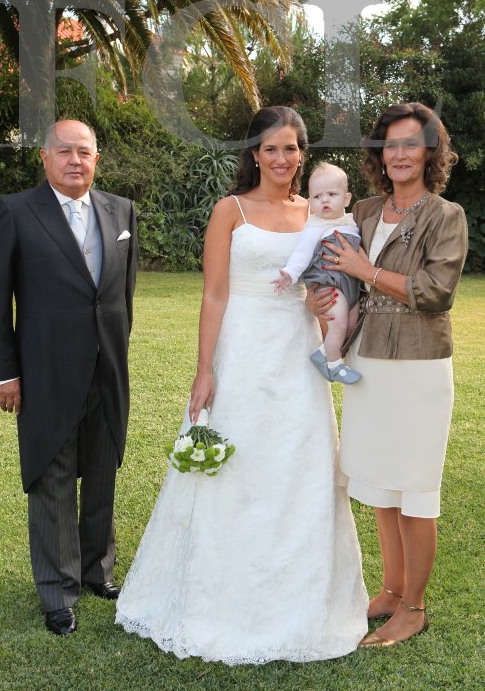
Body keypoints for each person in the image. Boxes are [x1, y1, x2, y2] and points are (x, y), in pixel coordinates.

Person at [115, 106, 368, 663]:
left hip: (296, 352)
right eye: (270, 148)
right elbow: (214, 294)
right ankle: (217, 602)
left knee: (298, 465)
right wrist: (205, 369)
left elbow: (323, 280)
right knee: (236, 465)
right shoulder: (229, 211)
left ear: (302, 154)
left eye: (291, 148)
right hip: (241, 351)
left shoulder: (317, 211)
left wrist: (321, 304)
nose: (281, 158)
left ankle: (300, 605)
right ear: (254, 154)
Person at [307, 102, 467, 647]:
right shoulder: (366, 210)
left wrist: (367, 270)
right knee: (381, 486)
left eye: (411, 144)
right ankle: (392, 592)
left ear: (429, 153)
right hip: (367, 362)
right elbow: (332, 267)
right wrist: (319, 294)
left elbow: (435, 292)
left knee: (414, 490)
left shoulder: (446, 216)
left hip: (419, 369)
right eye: (390, 144)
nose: (399, 154)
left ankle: (414, 608)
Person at [0, 120, 138, 636]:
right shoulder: (16, 212)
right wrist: (3, 373)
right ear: (44, 158)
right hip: (44, 370)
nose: (74, 160)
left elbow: (122, 295)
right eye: (63, 151)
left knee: (103, 469)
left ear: (96, 159)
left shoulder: (121, 210)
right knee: (52, 476)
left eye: (83, 152)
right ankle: (57, 590)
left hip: (107, 368)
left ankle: (98, 571)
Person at [272, 161, 361, 384]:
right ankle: (334, 364)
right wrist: (289, 274)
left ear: (346, 199)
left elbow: (359, 252)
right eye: (318, 196)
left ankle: (322, 353)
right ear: (310, 203)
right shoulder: (315, 226)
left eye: (332, 194)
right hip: (329, 282)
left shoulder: (351, 223)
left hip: (350, 283)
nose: (325, 200)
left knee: (352, 323)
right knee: (339, 323)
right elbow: (301, 253)